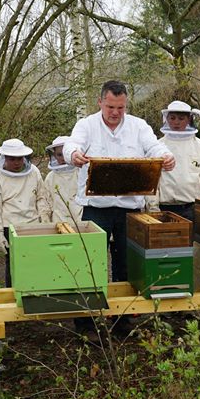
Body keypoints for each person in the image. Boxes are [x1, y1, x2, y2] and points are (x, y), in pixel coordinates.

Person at [62, 80, 175, 338]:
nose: (115, 112)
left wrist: (166, 156)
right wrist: (74, 155)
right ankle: (86, 323)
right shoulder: (86, 125)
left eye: (121, 107)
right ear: (100, 102)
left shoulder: (138, 126)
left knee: (127, 264)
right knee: (89, 264)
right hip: (96, 207)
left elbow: (155, 147)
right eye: (111, 106)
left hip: (130, 208)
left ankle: (122, 321)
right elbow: (72, 145)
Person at [0, 138, 51, 287]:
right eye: (12, 159)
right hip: (9, 228)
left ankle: (36, 294)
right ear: (5, 158)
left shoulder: (34, 172)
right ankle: (14, 297)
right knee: (14, 267)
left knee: (35, 264)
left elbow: (41, 197)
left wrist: (44, 217)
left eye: (19, 158)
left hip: (33, 226)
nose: (16, 162)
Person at [149, 101, 200, 222]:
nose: (176, 122)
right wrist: (153, 207)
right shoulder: (159, 145)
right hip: (164, 208)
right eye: (172, 118)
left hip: (191, 208)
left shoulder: (198, 145)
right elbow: (153, 180)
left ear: (189, 120)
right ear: (166, 119)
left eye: (181, 118)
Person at [43, 136, 83, 225]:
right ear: (54, 155)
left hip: (81, 221)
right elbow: (46, 202)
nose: (63, 158)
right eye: (59, 154)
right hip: (58, 222)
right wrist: (46, 222)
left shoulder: (81, 173)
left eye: (65, 154)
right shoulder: (50, 177)